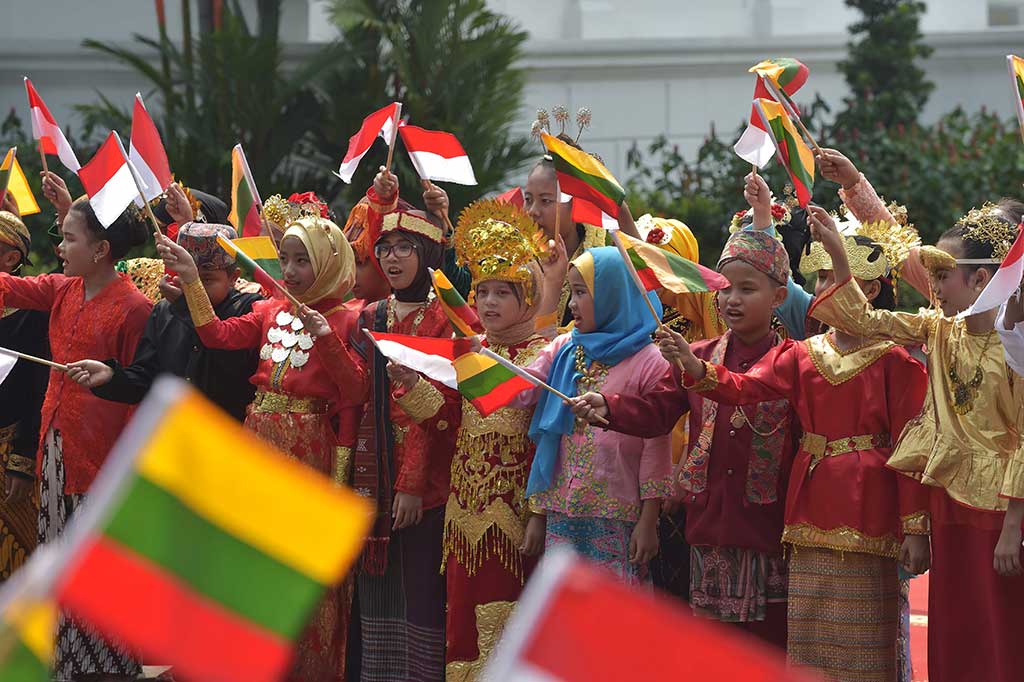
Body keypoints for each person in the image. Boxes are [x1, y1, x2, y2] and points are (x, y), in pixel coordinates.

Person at [659, 226, 932, 681]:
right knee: (807, 640)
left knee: (865, 637)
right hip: (807, 511)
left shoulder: (895, 361)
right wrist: (697, 368)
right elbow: (744, 388)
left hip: (872, 509)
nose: (821, 291)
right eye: (819, 279)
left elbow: (912, 448)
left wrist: (915, 527)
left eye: (833, 278)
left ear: (867, 288)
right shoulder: (805, 355)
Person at [806, 201, 1024, 682]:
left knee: (1000, 626)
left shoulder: (1017, 345)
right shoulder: (937, 328)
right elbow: (862, 321)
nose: (935, 287)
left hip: (1002, 508)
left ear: (982, 280)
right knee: (955, 622)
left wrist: (1014, 524)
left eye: (943, 276)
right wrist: (839, 256)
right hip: (947, 499)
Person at [156, 213, 366, 682]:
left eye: (301, 261)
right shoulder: (271, 308)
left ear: (330, 264)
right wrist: (191, 279)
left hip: (307, 447)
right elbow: (216, 334)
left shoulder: (348, 319)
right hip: (257, 438)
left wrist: (327, 338)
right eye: (286, 260)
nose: (289, 271)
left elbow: (355, 392)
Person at [570, 230, 799, 649]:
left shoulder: (793, 360)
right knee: (712, 654)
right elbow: (656, 410)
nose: (732, 299)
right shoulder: (699, 352)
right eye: (725, 288)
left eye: (747, 289)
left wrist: (694, 369)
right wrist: (609, 406)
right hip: (710, 527)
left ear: (779, 297)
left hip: (770, 531)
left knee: (768, 655)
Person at [0, 196, 152, 681]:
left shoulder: (135, 308)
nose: (60, 248)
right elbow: (11, 286)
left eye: (68, 238)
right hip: (55, 453)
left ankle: (109, 669)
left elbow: (145, 386)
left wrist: (111, 375)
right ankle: (66, 665)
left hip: (105, 463)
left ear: (102, 248)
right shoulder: (64, 290)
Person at [442, 199, 560, 681]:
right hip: (462, 511)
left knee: (510, 620)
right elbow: (445, 420)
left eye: (501, 293)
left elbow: (550, 441)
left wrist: (537, 513)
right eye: (482, 291)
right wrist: (410, 391)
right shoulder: (470, 352)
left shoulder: (546, 356)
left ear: (528, 297)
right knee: (462, 620)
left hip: (514, 513)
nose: (487, 303)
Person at [348, 192, 462, 682]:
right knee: (376, 588)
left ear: (428, 254)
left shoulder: (448, 320)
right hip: (375, 472)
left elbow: (443, 410)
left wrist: (412, 483)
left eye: (404, 248)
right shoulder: (371, 317)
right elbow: (358, 394)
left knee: (419, 589)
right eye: (386, 247)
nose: (391, 258)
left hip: (428, 476)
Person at [513, 246, 673, 585]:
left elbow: (657, 444)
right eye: (572, 291)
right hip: (563, 508)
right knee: (567, 611)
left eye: (582, 292)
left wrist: (648, 519)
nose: (572, 303)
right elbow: (523, 390)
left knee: (613, 618)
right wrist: (477, 361)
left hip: (619, 513)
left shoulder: (650, 361)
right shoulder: (566, 347)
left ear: (614, 295)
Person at [66, 223, 262, 422]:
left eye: (207, 280)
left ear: (233, 278)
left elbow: (228, 362)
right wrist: (110, 376)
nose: (196, 287)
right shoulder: (164, 311)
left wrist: (186, 308)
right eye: (188, 277)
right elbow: (145, 379)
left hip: (225, 438)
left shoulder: (248, 309)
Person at [0, 207, 48, 583]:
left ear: (11, 258)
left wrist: (21, 458)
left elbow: (39, 387)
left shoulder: (34, 309)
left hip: (8, 444)